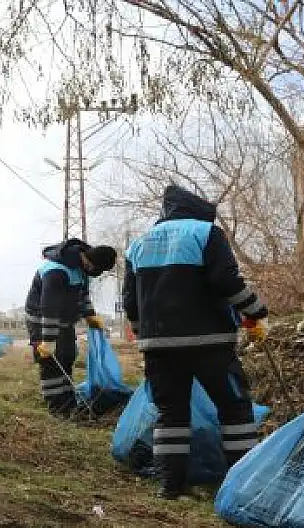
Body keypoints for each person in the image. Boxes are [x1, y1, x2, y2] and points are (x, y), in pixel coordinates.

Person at [122, 184, 269, 500]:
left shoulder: (138, 245)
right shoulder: (206, 233)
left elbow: (131, 303)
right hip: (209, 343)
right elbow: (224, 280)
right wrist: (256, 310)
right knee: (234, 408)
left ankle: (172, 486)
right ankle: (241, 485)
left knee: (171, 415)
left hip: (158, 348)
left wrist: (146, 335)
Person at [25, 238, 117, 416]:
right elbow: (49, 309)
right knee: (51, 362)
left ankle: (68, 403)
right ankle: (57, 408)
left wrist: (89, 315)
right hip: (41, 320)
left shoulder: (81, 269)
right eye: (99, 270)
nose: (97, 273)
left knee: (67, 356)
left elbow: (82, 295)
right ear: (90, 262)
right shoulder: (56, 271)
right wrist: (48, 341)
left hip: (65, 321)